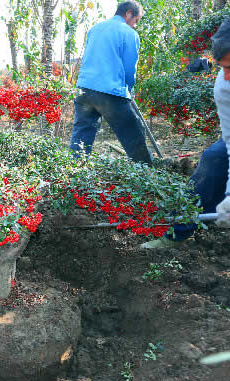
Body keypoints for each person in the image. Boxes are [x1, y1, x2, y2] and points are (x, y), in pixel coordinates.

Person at [142, 18, 230, 249]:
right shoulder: (224, 85)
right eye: (224, 67)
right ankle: (178, 232)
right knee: (214, 157)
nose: (227, 76)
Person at [69, 0, 152, 165]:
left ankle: (73, 174)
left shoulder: (95, 29)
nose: (135, 26)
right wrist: (129, 89)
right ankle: (148, 175)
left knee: (82, 136)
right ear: (128, 13)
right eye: (136, 21)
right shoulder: (129, 34)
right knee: (133, 133)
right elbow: (129, 69)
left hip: (84, 90)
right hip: (109, 91)